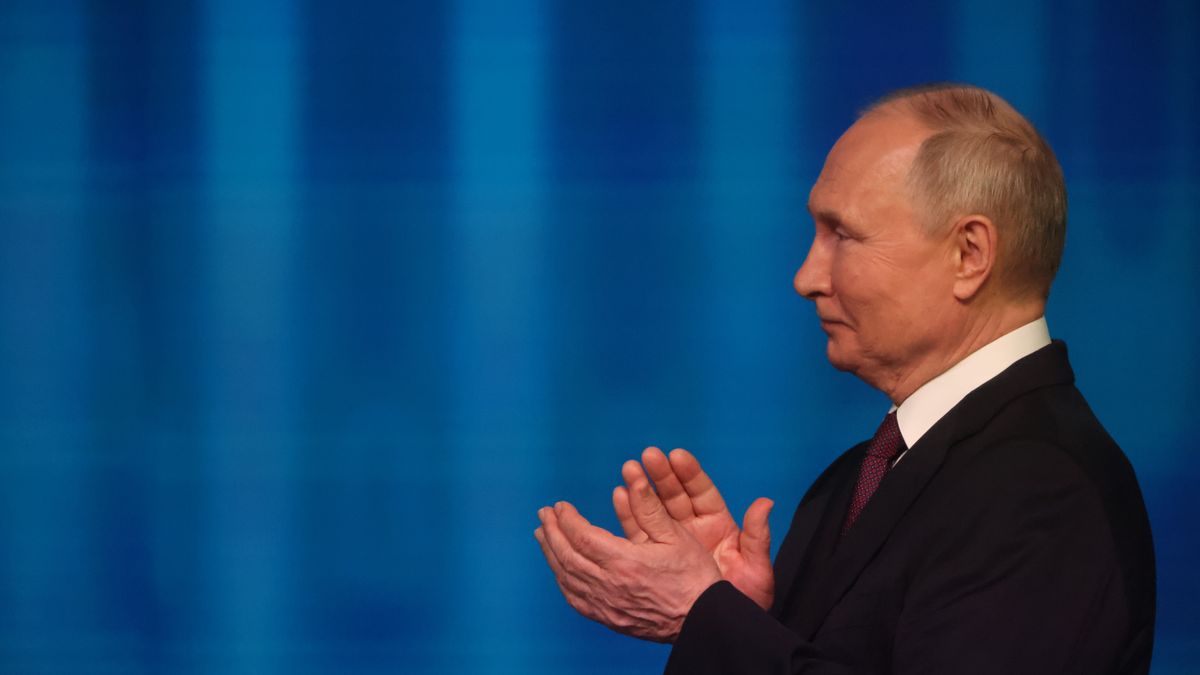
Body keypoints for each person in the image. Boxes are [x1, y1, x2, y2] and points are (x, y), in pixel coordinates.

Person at [534, 83, 1155, 674]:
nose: (807, 277)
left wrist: (707, 616)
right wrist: (749, 616)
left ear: (969, 254)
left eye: (843, 235)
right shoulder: (857, 480)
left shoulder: (1042, 491)